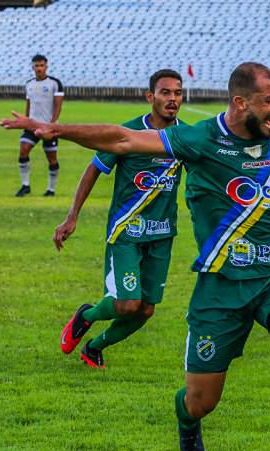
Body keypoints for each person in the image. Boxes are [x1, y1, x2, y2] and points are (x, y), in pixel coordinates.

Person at [0, 62, 270, 451]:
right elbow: (124, 138)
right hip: (221, 287)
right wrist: (59, 130)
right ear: (241, 103)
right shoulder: (199, 139)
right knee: (200, 401)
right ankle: (188, 425)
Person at [54, 69, 184, 369]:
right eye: (165, 92)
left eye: (177, 93)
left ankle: (94, 347)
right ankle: (86, 316)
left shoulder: (184, 136)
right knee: (127, 304)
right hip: (127, 232)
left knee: (145, 310)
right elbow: (93, 169)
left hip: (163, 233)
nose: (173, 99)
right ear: (150, 96)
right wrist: (71, 217)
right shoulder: (128, 133)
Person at [17, 54, 64, 197]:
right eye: (36, 66)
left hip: (48, 127)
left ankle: (51, 190)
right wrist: (26, 121)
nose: (39, 68)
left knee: (51, 157)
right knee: (23, 150)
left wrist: (52, 124)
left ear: (46, 67)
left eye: (42, 65)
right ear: (33, 67)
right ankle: (25, 186)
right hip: (32, 125)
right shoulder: (29, 84)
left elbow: (58, 105)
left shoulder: (54, 83)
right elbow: (29, 105)